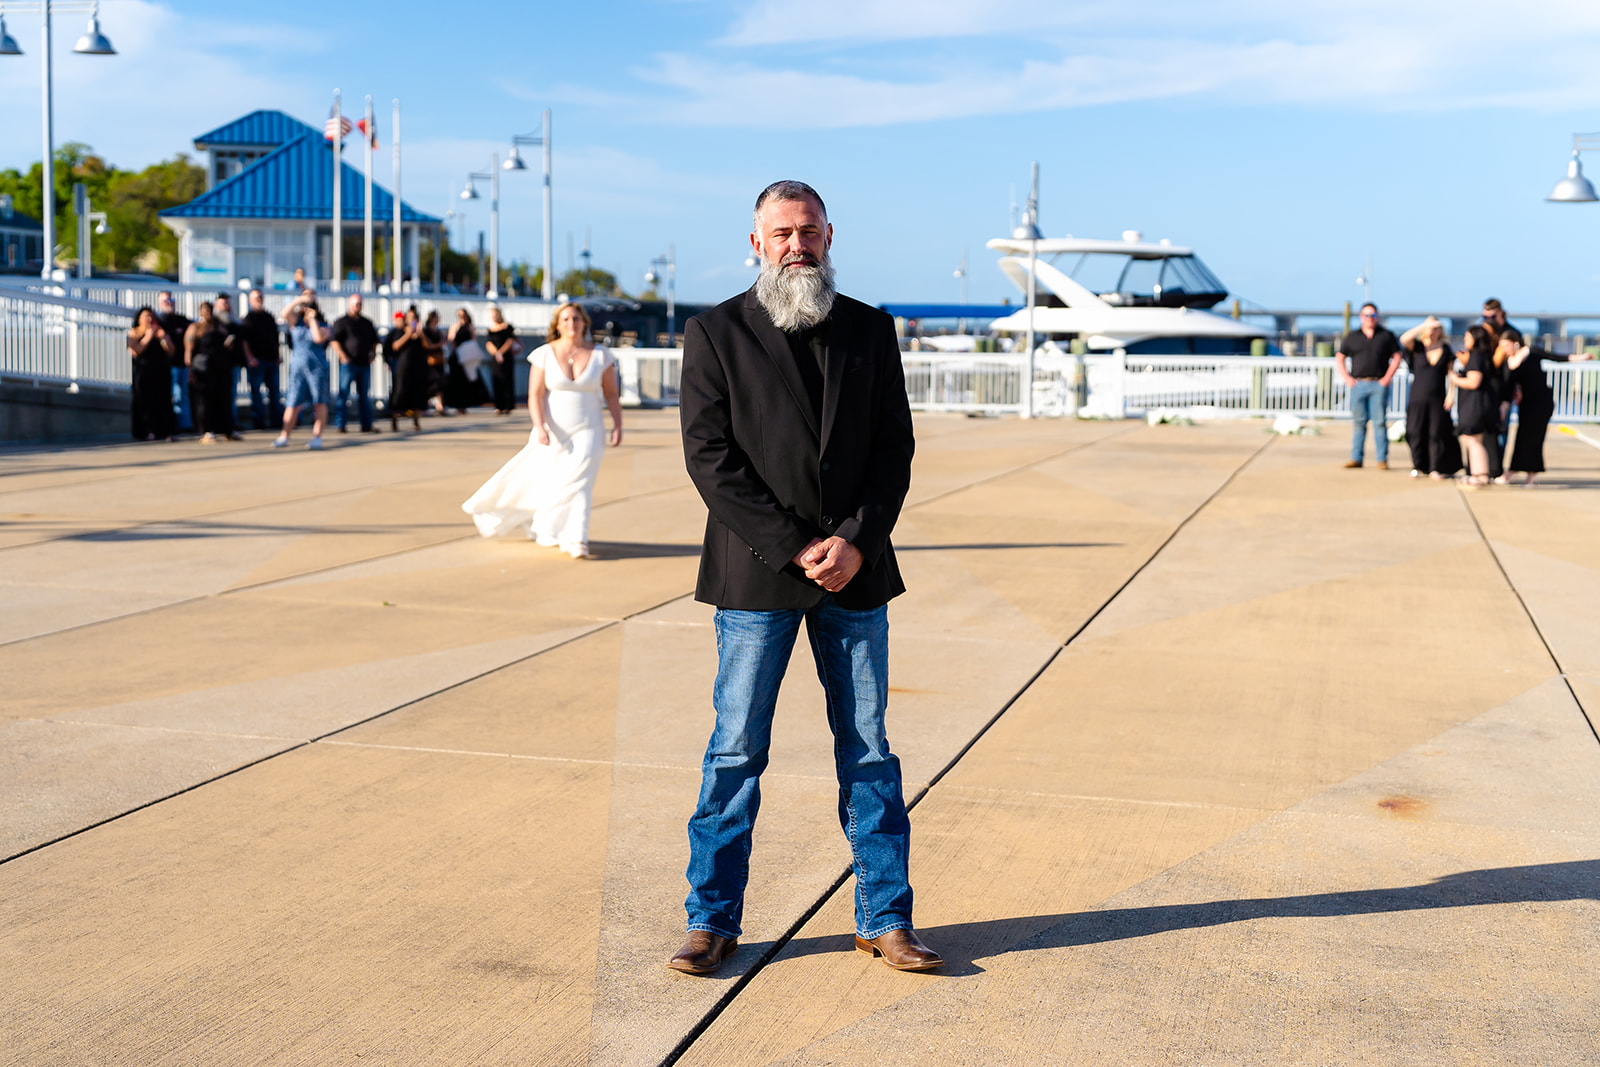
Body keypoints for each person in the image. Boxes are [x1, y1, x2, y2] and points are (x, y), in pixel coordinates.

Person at [669, 180, 933, 977]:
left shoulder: (870, 330)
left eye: (808, 231)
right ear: (756, 242)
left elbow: (895, 451)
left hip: (855, 577)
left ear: (829, 237)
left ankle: (884, 917)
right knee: (735, 753)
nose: (796, 244)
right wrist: (794, 545)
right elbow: (710, 458)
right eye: (780, 232)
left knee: (869, 753)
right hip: (756, 579)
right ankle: (710, 919)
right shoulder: (715, 333)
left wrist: (855, 537)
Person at [460, 302, 623, 556]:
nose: (572, 324)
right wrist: (540, 426)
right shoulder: (544, 353)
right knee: (555, 481)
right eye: (566, 319)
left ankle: (576, 537)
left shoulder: (601, 354)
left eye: (576, 319)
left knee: (579, 480)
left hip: (589, 428)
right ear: (558, 325)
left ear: (584, 323)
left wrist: (618, 425)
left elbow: (612, 394)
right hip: (553, 429)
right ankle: (546, 525)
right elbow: (535, 395)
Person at [1505, 339, 1593, 484]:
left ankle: (1530, 476)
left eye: (1505, 344)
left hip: (1541, 402)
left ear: (1515, 343)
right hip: (1526, 404)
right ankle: (1513, 470)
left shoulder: (1531, 352)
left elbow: (1557, 358)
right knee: (1521, 437)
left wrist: (1582, 357)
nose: (1503, 348)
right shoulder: (1507, 360)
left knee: (1535, 438)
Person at [1335, 302, 1403, 469]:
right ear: (1361, 317)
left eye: (1373, 315)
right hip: (1358, 384)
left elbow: (1397, 356)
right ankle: (1356, 458)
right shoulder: (1352, 336)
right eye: (1366, 315)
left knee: (1379, 422)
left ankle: (1382, 459)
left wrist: (1387, 377)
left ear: (1377, 317)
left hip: (1378, 384)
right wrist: (1347, 378)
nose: (1370, 318)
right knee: (1359, 422)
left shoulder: (1386, 335)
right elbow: (1340, 357)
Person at [1396, 317, 1460, 480]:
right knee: (1414, 431)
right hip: (1417, 397)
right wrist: (1423, 326)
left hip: (1438, 398)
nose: (1432, 331)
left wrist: (1451, 395)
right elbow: (1404, 339)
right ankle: (1418, 465)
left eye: (1436, 328)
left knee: (1435, 433)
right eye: (1430, 328)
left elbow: (1451, 374)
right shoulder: (1417, 347)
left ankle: (1435, 467)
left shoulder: (1445, 349)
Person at [273, 290, 332, 450]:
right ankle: (284, 435)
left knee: (319, 402)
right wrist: (299, 300)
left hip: (317, 368)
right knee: (293, 402)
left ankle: (317, 437)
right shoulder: (296, 322)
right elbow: (284, 313)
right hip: (298, 368)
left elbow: (318, 338)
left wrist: (312, 319)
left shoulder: (324, 326)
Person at [1480, 299, 1522, 481]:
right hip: (1485, 391)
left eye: (1492, 316)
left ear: (1501, 313)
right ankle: (1485, 468)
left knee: (1502, 431)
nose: (1489, 319)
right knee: (1484, 431)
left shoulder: (1512, 333)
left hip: (1505, 390)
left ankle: (1497, 469)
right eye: (1485, 316)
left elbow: (1516, 368)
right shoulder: (1483, 334)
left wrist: (1517, 388)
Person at [184, 301, 236, 444]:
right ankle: (206, 431)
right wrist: (190, 369)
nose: (208, 312)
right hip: (202, 369)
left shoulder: (219, 326)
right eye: (205, 310)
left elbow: (228, 342)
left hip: (220, 367)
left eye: (210, 309)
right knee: (204, 401)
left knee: (223, 399)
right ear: (200, 311)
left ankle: (227, 430)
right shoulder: (195, 328)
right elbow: (188, 350)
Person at [329, 293, 381, 434]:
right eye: (355, 303)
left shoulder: (367, 322)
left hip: (364, 363)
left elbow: (375, 340)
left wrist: (373, 353)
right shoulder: (342, 322)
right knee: (343, 394)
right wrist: (343, 356)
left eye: (359, 304)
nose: (357, 306)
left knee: (364, 396)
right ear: (349, 304)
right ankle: (340, 425)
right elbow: (334, 341)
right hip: (348, 364)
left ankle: (366, 425)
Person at [1451, 326, 1496, 487]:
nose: (1465, 340)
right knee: (1473, 440)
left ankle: (1481, 475)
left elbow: (1474, 381)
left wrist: (1454, 379)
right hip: (1477, 404)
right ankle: (1475, 474)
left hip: (1474, 405)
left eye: (1467, 337)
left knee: (1473, 441)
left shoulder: (1477, 356)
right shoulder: (1482, 356)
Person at [127, 307, 176, 441]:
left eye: (151, 317)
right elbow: (135, 351)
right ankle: (145, 431)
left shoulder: (160, 331)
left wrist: (163, 337)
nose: (149, 320)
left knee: (163, 401)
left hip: (160, 371)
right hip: (143, 372)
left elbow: (171, 350)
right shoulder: (135, 332)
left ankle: (164, 431)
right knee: (144, 402)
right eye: (146, 317)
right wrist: (148, 336)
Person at [241, 288, 283, 429]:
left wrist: (278, 355)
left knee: (275, 392)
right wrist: (250, 357)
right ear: (250, 300)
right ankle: (259, 421)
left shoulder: (269, 317)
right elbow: (244, 340)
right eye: (256, 297)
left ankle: (276, 420)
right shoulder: (248, 318)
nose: (259, 299)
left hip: (271, 360)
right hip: (257, 361)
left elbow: (276, 338)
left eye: (260, 297)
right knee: (256, 393)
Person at [213, 292, 252, 440]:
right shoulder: (214, 323)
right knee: (219, 395)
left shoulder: (234, 322)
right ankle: (218, 424)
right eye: (223, 303)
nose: (226, 306)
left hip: (233, 364)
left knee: (232, 394)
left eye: (227, 303)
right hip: (218, 365)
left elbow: (242, 341)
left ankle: (231, 423)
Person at [156, 291, 192, 434]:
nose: (169, 303)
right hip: (167, 365)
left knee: (183, 396)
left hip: (183, 364)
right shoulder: (159, 321)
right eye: (165, 301)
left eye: (170, 300)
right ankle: (172, 425)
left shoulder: (181, 320)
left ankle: (185, 425)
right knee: (172, 396)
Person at [444, 307, 490, 411]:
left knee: (469, 381)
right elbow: (451, 340)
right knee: (457, 382)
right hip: (458, 358)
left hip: (468, 357)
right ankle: (458, 405)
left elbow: (474, 340)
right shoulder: (455, 326)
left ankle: (466, 404)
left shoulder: (470, 327)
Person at [485, 306, 521, 414]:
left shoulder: (507, 327)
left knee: (507, 379)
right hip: (495, 358)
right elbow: (489, 343)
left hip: (506, 356)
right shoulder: (490, 329)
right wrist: (496, 353)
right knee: (497, 380)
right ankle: (498, 405)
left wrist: (501, 352)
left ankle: (508, 405)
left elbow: (511, 340)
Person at [422, 310, 450, 416]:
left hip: (439, 360)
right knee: (431, 383)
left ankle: (440, 406)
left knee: (440, 383)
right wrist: (440, 344)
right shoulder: (426, 331)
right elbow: (427, 345)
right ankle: (427, 405)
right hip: (430, 360)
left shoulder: (438, 331)